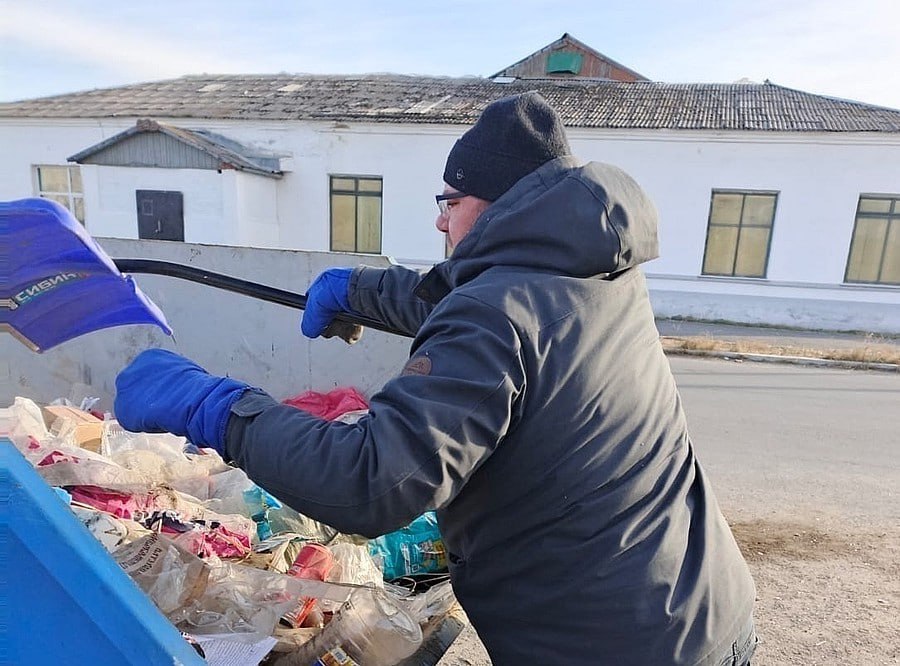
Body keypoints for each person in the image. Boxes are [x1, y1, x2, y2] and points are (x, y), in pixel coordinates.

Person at [115, 91, 758, 665]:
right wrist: (357, 291)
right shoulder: (594, 268)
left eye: (449, 202)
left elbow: (371, 481)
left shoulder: (496, 313)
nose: (440, 221)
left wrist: (215, 406)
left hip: (609, 641)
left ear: (498, 204)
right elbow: (473, 301)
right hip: (698, 603)